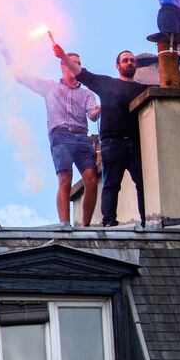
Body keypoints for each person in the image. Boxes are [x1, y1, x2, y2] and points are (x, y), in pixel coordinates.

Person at [0, 36, 100, 226]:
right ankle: (65, 226)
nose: (76, 65)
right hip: (61, 136)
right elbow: (20, 76)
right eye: (72, 62)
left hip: (81, 136)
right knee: (65, 179)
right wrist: (4, 50)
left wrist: (98, 110)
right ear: (63, 66)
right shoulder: (50, 87)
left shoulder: (87, 93)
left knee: (92, 180)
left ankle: (85, 227)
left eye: (79, 63)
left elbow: (92, 115)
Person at [54, 44, 148, 226]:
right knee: (111, 184)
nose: (129, 63)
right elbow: (83, 74)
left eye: (132, 60)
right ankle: (109, 222)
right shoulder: (108, 84)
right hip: (112, 143)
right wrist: (64, 58)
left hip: (136, 142)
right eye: (125, 60)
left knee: (143, 184)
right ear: (117, 66)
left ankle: (147, 221)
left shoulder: (143, 89)